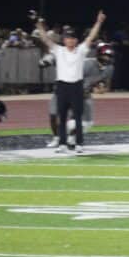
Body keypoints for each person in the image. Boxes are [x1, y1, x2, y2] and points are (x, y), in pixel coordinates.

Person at [35, 11, 105, 154]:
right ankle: (62, 144)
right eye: (68, 38)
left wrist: (98, 22)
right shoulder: (58, 50)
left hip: (76, 86)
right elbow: (45, 39)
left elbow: (91, 37)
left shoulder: (81, 50)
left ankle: (79, 144)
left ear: (76, 40)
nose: (70, 40)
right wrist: (38, 24)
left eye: (73, 38)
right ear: (64, 40)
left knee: (78, 117)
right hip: (62, 86)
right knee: (62, 116)